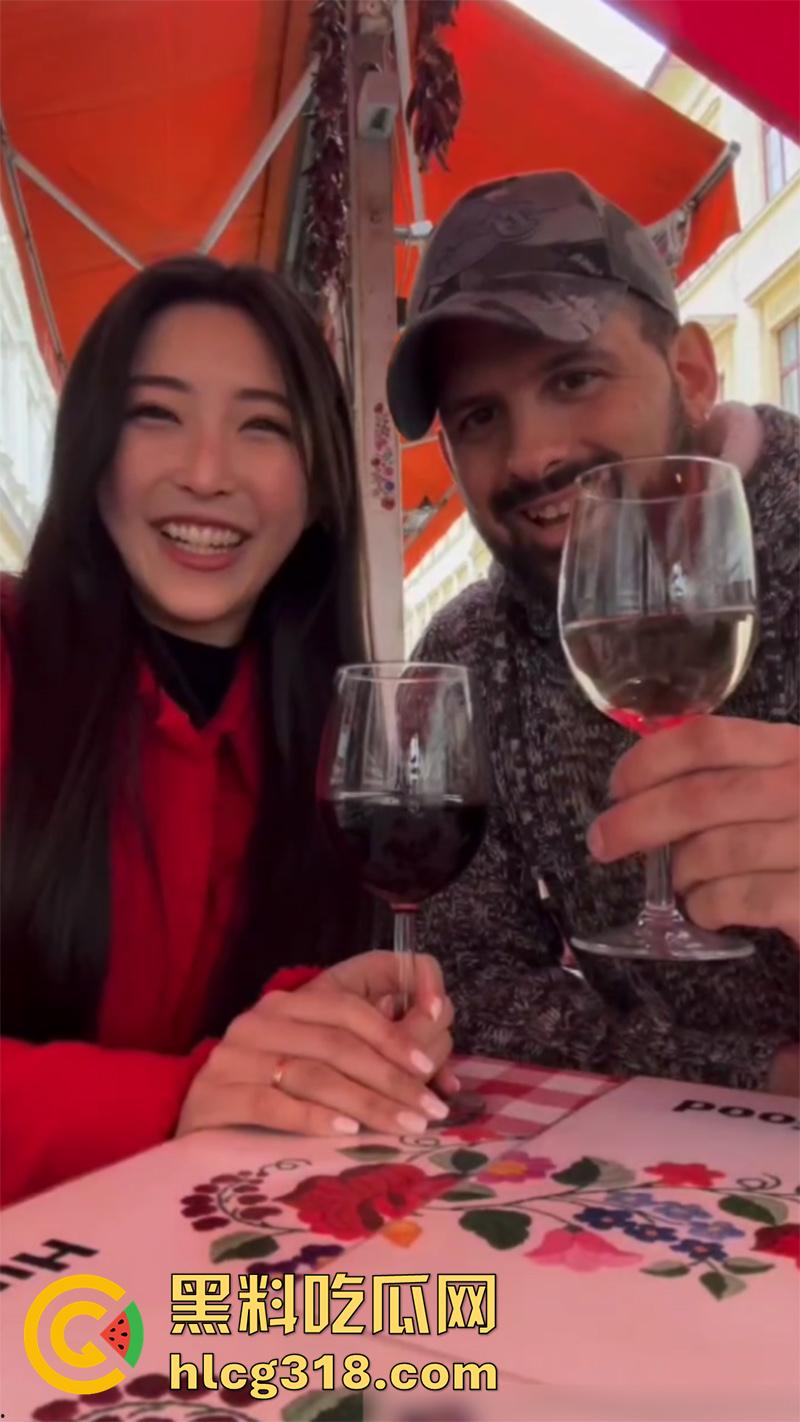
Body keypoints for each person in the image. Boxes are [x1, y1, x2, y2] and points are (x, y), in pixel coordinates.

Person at [0, 256, 456, 1207]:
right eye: (155, 415)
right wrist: (185, 1097)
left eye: (263, 427)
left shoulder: (324, 740)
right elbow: (209, 1082)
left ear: (320, 486)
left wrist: (334, 1033)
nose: (206, 474)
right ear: (91, 455)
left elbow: (263, 1050)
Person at [387, 171, 799, 1095]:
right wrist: (758, 1076)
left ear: (690, 373)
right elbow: (463, 977)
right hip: (652, 1161)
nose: (532, 454)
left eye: (573, 378)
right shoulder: (472, 651)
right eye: (480, 416)